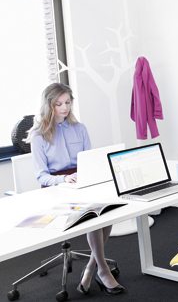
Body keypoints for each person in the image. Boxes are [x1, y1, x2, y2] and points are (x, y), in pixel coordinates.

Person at [29, 83, 125, 296]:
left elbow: (90, 161)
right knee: (92, 214)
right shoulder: (38, 135)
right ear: (49, 105)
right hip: (55, 188)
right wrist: (64, 178)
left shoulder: (80, 128)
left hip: (82, 183)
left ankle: (91, 267)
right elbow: (41, 176)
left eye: (68, 102)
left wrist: (90, 177)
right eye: (59, 104)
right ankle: (102, 269)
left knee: (107, 210)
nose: (65, 107)